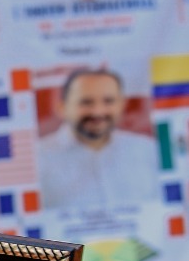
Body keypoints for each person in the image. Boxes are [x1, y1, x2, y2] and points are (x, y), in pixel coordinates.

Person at [37, 67, 159, 212]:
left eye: (108, 101)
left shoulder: (148, 150)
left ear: (121, 105)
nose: (97, 111)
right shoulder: (36, 159)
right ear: (62, 108)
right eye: (86, 102)